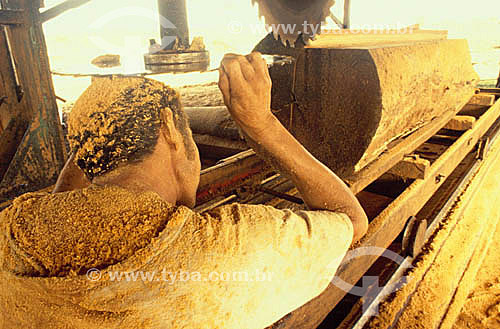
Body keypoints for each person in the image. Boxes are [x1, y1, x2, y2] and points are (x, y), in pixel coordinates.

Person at [0, 52, 368, 328]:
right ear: (171, 131)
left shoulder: (11, 232)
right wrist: (262, 124)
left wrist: (93, 139)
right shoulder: (225, 247)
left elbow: (57, 216)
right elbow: (351, 221)